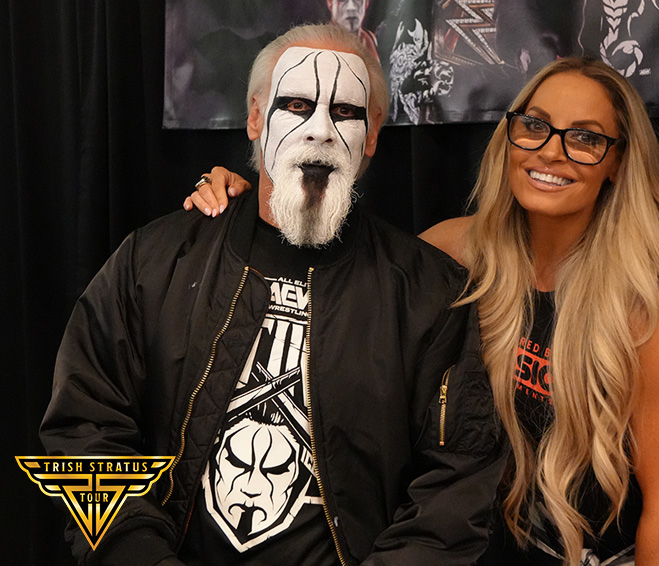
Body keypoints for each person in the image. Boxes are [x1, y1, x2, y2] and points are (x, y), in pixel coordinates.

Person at [188, 56, 659, 565]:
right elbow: (333, 270)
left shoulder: (649, 312)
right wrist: (253, 201)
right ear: (510, 136)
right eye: (534, 126)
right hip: (538, 539)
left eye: (585, 138)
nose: (551, 151)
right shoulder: (454, 252)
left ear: (616, 162)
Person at [40, 23, 505, 566]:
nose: (320, 131)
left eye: (346, 112)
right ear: (256, 118)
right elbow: (85, 430)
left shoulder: (428, 293)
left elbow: (455, 486)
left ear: (373, 134)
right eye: (296, 104)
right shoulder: (154, 261)